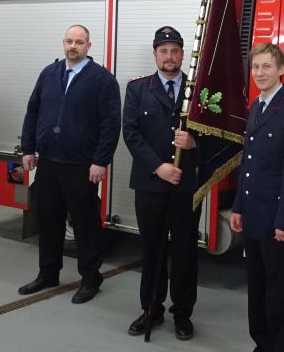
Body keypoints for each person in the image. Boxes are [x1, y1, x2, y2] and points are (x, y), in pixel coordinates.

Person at [18, 24, 120, 304]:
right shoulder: (49, 74)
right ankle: (47, 273)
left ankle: (91, 277)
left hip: (81, 165)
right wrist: (28, 148)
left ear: (89, 46)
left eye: (79, 42)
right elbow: (33, 110)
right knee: (48, 220)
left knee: (85, 223)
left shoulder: (102, 79)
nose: (73, 46)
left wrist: (101, 160)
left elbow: (111, 123)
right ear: (63, 43)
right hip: (48, 161)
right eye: (69, 41)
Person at [230, 43, 284, 352]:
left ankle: (283, 347)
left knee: (280, 290)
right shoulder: (256, 106)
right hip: (253, 213)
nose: (260, 73)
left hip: (276, 218)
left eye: (267, 67)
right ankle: (263, 342)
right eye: (256, 67)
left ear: (280, 70)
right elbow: (248, 163)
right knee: (258, 286)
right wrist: (238, 207)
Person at [123, 26, 200, 341]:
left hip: (185, 186)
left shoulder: (198, 92)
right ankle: (151, 309)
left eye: (175, 50)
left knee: (184, 251)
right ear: (155, 54)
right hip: (150, 185)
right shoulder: (138, 88)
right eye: (163, 50)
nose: (170, 56)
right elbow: (131, 134)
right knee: (152, 249)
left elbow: (214, 135)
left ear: (182, 54)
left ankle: (182, 314)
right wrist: (159, 167)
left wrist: (194, 143)